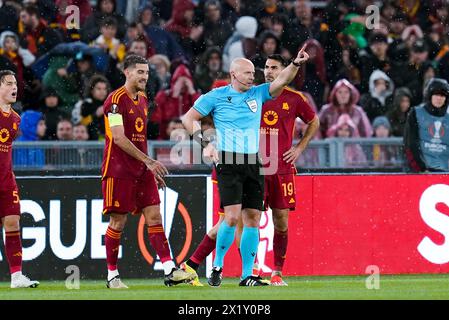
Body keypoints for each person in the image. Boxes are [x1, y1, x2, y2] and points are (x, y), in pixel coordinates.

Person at [181, 54, 319, 287]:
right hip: (228, 162)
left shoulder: (258, 93)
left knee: (254, 218)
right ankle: (217, 265)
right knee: (232, 218)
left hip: (254, 163)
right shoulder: (216, 95)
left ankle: (248, 276)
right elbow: (189, 118)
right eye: (248, 73)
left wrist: (296, 64)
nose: (253, 76)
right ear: (234, 74)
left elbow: (281, 81)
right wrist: (205, 143)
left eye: (255, 72)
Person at [101, 55, 195, 289]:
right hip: (118, 169)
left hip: (142, 171)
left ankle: (169, 269)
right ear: (127, 72)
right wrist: (149, 161)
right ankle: (112, 276)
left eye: (146, 72)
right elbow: (119, 137)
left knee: (155, 217)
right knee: (118, 222)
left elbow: (139, 139)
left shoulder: (142, 99)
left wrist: (148, 168)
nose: (144, 76)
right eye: (139, 72)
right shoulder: (115, 100)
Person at [0, 70, 39, 288]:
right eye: (8, 83)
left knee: (13, 221)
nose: (14, 87)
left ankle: (16, 276)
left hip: (6, 179)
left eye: (15, 84)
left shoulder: (16, 119)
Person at [404, 78, 449, 172]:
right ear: (430, 95)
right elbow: (410, 144)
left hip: (445, 173)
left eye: (443, 95)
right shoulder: (415, 113)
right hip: (421, 172)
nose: (439, 98)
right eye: (436, 94)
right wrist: (420, 169)